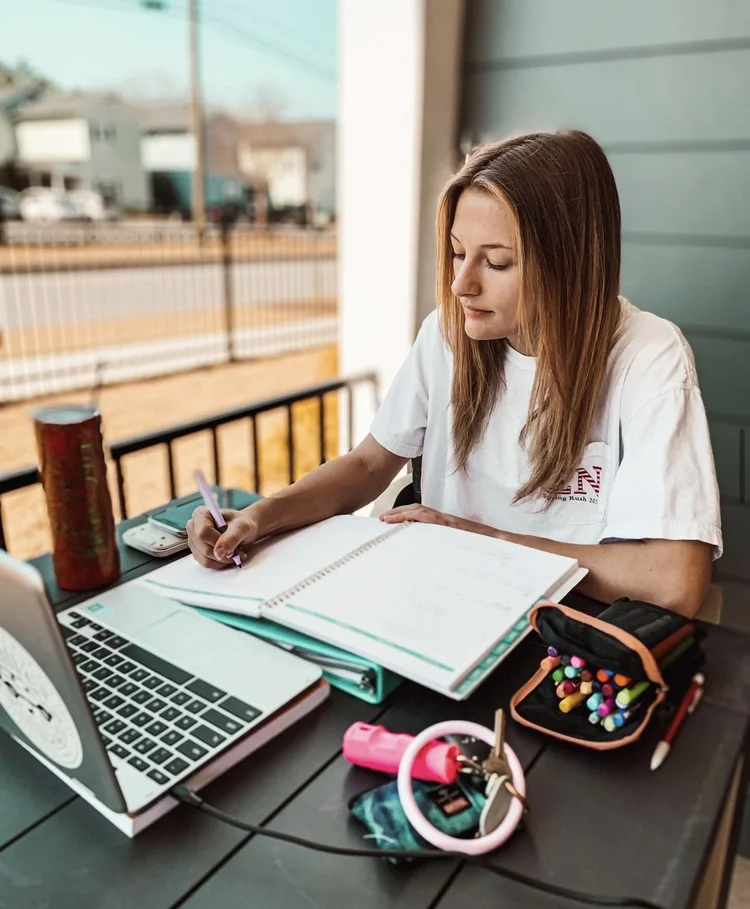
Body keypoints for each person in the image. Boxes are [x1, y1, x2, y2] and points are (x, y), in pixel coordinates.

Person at [187, 130, 722, 618]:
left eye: (496, 263)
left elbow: (673, 582)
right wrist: (262, 517)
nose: (461, 285)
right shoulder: (448, 335)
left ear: (572, 263)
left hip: (558, 642)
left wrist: (471, 537)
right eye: (458, 254)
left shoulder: (648, 358)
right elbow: (371, 463)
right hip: (437, 608)